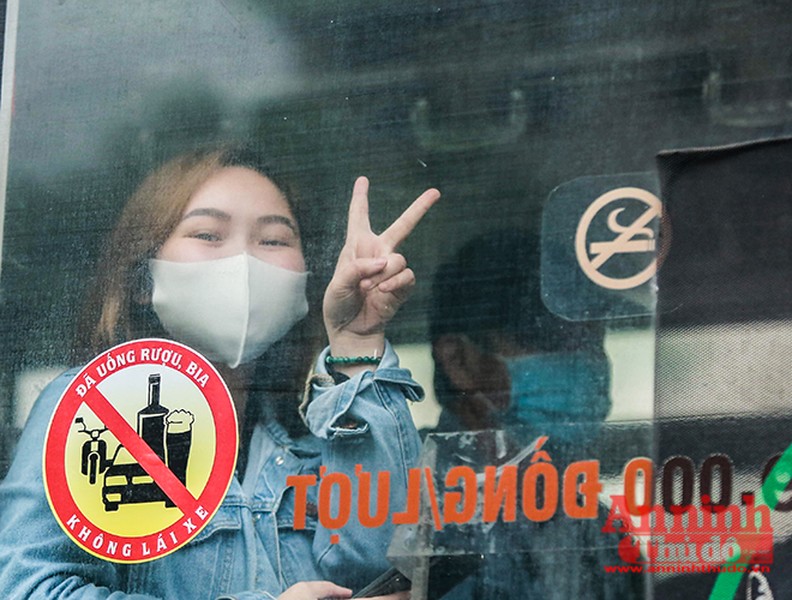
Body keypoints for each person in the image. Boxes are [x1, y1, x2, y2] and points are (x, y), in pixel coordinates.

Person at [0, 146, 440, 600]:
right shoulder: (90, 410)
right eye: (208, 234)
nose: (243, 261)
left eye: (274, 240)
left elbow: (390, 572)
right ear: (143, 281)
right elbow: (26, 589)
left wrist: (356, 340)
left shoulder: (315, 442)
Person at [423, 228, 643, 598]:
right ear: (458, 360)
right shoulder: (395, 496)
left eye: (592, 339)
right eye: (547, 337)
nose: (579, 360)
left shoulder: (599, 529)